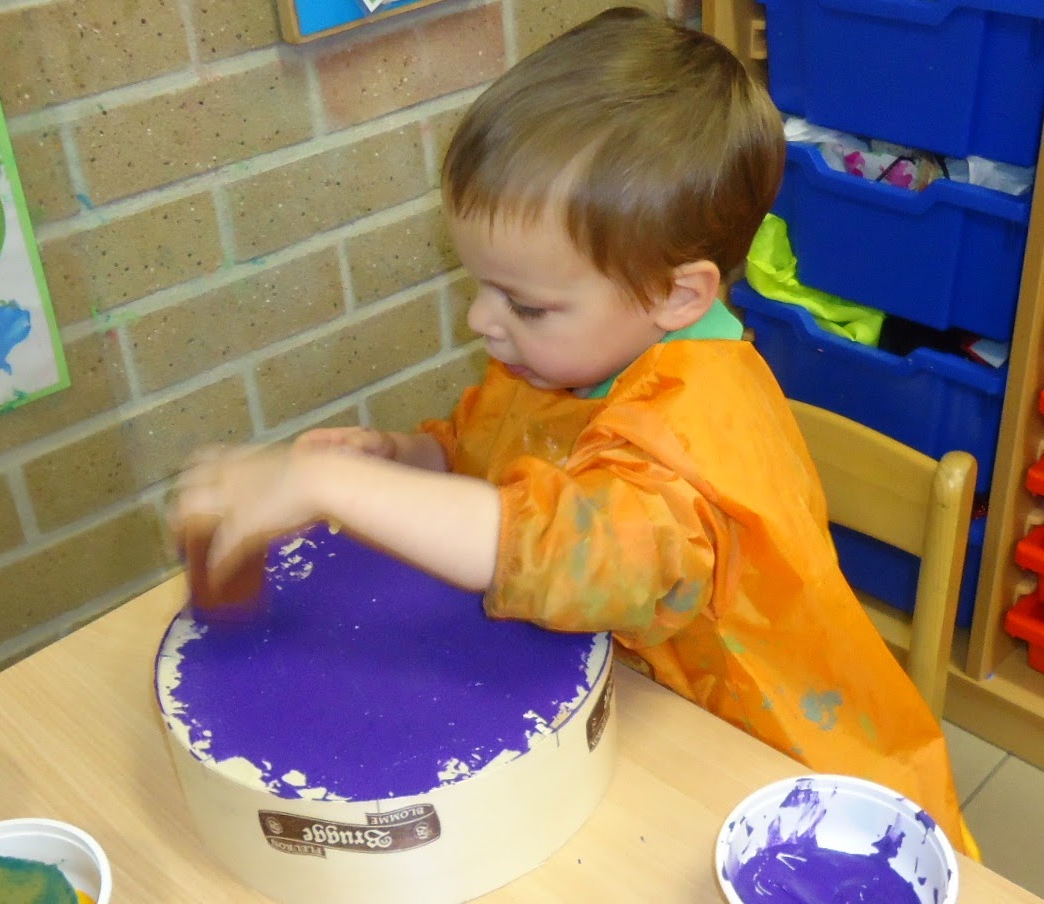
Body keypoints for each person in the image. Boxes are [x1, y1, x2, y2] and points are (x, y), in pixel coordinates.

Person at [170, 6, 978, 857]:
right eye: (480, 285)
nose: (481, 320)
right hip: (635, 715)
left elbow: (573, 559)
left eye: (524, 303)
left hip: (787, 780)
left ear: (676, 296)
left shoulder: (694, 438)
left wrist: (331, 485)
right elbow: (490, 446)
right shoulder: (562, 359)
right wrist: (409, 457)